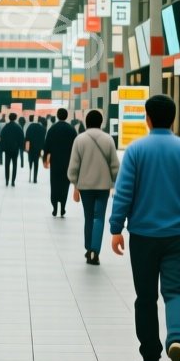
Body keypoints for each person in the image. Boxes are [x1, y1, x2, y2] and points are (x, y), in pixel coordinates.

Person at [109, 94, 180, 361]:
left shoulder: (136, 151)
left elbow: (124, 192)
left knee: (146, 297)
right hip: (178, 236)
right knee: (176, 292)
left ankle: (151, 360)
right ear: (174, 119)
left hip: (143, 236)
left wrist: (116, 228)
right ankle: (177, 339)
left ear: (148, 119)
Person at [67, 109, 119, 264]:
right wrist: (115, 183)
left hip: (85, 187)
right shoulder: (108, 139)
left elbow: (73, 167)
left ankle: (89, 248)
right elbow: (115, 165)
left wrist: (75, 184)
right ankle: (95, 251)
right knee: (99, 217)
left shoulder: (80, 139)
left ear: (86, 122)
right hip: (103, 186)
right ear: (101, 123)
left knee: (89, 217)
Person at [44, 108, 77, 217]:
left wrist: (45, 160)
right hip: (68, 162)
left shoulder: (52, 129)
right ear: (66, 116)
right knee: (64, 185)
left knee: (54, 184)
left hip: (55, 162)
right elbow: (75, 147)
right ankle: (63, 207)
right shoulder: (71, 130)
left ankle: (54, 207)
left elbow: (47, 145)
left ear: (57, 116)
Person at [0, 113, 26, 186]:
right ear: (15, 118)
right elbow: (21, 139)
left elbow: (2, 138)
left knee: (7, 165)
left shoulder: (5, 127)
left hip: (7, 149)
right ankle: (13, 181)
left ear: (9, 118)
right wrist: (21, 148)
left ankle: (7, 180)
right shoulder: (18, 127)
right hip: (15, 149)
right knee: (14, 165)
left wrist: (2, 149)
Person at [25, 115, 46, 183]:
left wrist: (26, 147)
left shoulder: (30, 127)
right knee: (36, 163)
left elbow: (27, 137)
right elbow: (43, 140)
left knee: (30, 161)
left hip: (31, 147)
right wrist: (42, 148)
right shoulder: (42, 128)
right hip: (38, 148)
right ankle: (35, 178)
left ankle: (30, 175)